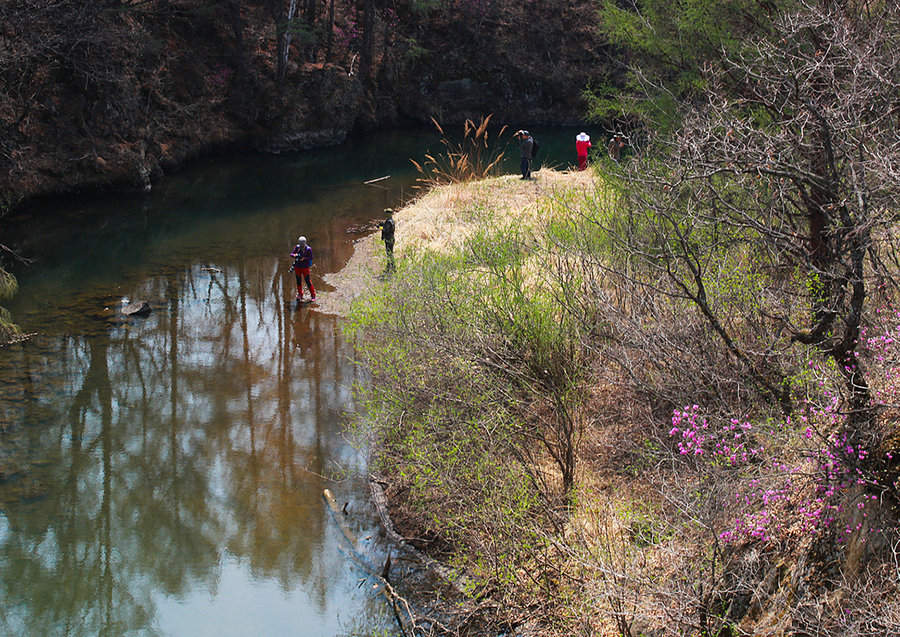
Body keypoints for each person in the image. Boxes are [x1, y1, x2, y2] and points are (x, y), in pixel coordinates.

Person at [290, 235, 316, 301]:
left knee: (307, 281)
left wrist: (304, 258)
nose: (302, 245)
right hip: (297, 266)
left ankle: (313, 295)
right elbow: (291, 254)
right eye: (301, 243)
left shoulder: (308, 249)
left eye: (303, 243)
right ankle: (300, 294)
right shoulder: (297, 247)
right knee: (298, 281)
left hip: (305, 267)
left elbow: (311, 257)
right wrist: (295, 255)